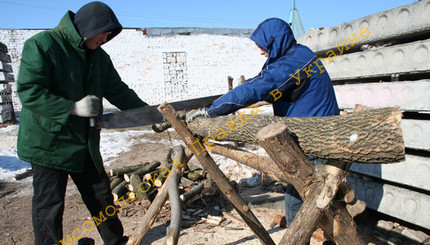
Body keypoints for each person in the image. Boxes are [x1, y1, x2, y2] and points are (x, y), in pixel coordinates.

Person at [186, 17, 339, 239]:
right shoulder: (296, 56)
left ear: (275, 41)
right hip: (313, 135)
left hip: (317, 141)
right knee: (316, 201)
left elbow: (260, 86)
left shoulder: (295, 62)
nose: (260, 52)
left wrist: (211, 110)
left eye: (263, 46)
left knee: (300, 208)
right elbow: (265, 83)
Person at [16, 2, 148, 244]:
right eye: (103, 32)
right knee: (49, 205)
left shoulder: (99, 57)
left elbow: (118, 91)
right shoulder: (42, 45)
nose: (106, 38)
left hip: (83, 142)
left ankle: (116, 241)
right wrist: (73, 108)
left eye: (110, 35)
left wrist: (151, 116)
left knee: (101, 196)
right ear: (89, 26)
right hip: (48, 142)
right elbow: (29, 92)